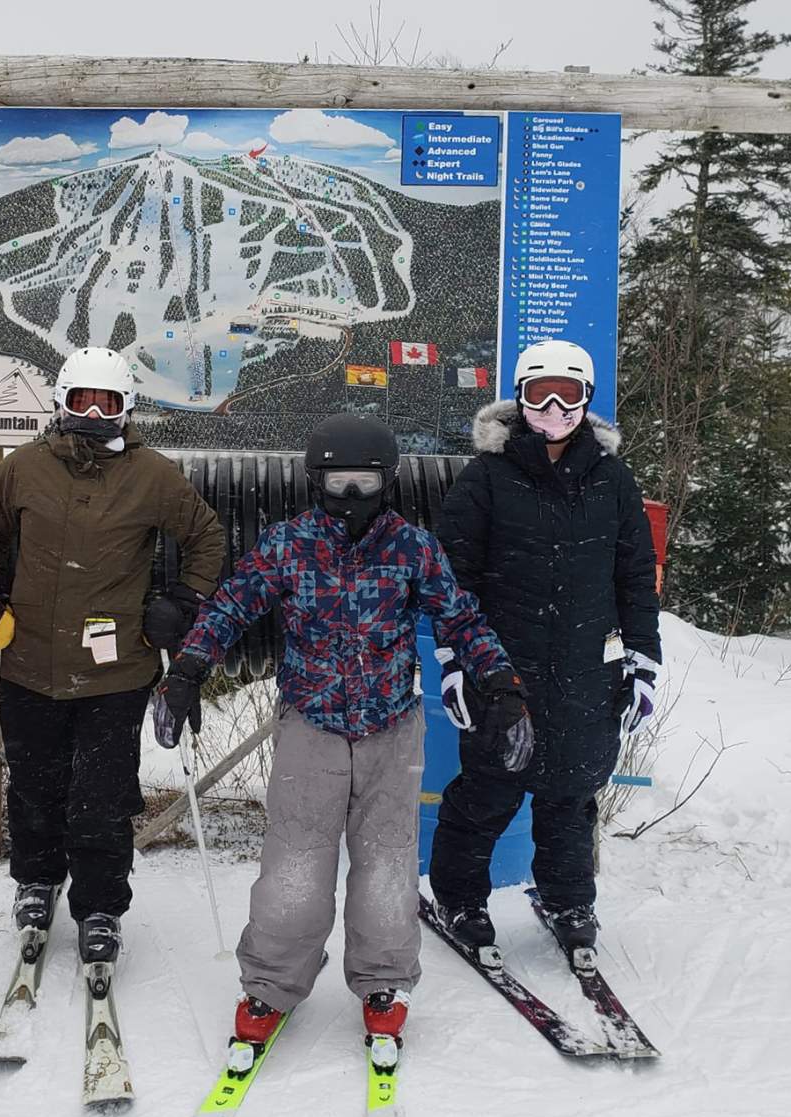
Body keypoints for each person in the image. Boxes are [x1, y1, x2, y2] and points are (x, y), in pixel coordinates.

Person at [153, 413, 530, 1064]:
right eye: (339, 481)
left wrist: (500, 682)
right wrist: (187, 668)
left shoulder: (412, 548)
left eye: (365, 482)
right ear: (315, 480)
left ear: (387, 482)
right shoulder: (288, 544)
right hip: (312, 725)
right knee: (295, 864)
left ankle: (384, 982)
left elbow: (461, 617)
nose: (351, 496)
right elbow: (232, 606)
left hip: (390, 725)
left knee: (386, 862)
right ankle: (270, 986)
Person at [0, 345, 224, 966]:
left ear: (125, 407)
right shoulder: (22, 469)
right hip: (29, 660)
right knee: (34, 785)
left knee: (103, 795)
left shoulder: (152, 474)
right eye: (80, 399)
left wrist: (182, 601)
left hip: (115, 670)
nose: (91, 411)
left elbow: (207, 538)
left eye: (105, 402)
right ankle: (36, 880)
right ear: (61, 401)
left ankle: (101, 903)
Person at [427, 339, 661, 964]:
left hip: (587, 668)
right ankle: (459, 897)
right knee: (489, 789)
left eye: (568, 393)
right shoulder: (486, 478)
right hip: (502, 669)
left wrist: (643, 657)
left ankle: (566, 898)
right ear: (520, 398)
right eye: (539, 393)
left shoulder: (613, 479)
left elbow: (635, 574)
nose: (554, 407)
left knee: (570, 792)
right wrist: (454, 662)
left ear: (586, 398)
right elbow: (453, 580)